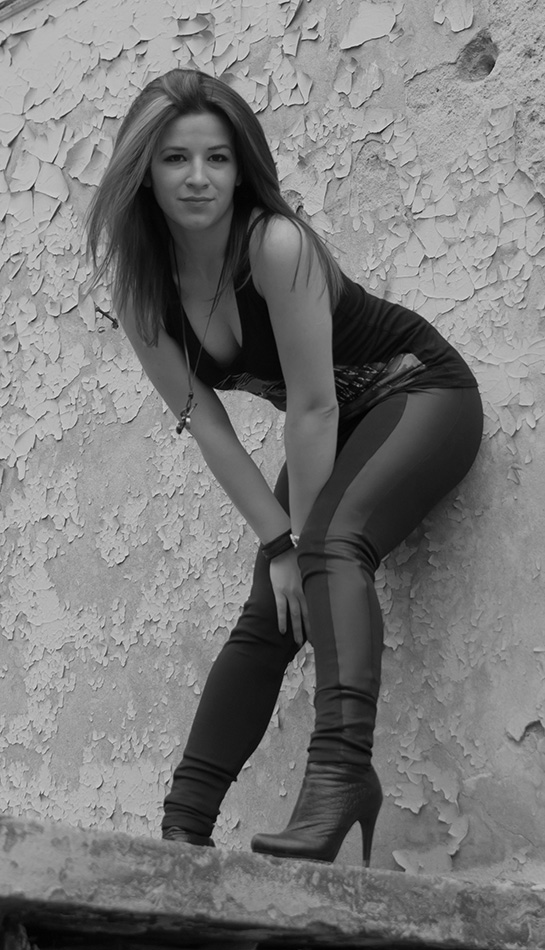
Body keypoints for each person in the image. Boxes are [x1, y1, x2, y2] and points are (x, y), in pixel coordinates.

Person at [86, 68, 483, 867]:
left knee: (328, 547)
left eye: (218, 158)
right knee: (271, 605)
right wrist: (275, 544)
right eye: (174, 158)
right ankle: (183, 829)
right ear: (143, 172)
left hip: (419, 392)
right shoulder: (142, 295)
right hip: (338, 424)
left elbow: (312, 406)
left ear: (242, 169)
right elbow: (206, 425)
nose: (198, 177)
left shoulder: (274, 243)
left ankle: (340, 776)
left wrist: (298, 544)